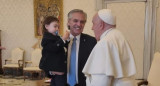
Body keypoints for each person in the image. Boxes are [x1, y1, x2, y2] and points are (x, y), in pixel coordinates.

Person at [83, 9, 137, 86]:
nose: (92, 28)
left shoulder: (105, 43)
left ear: (101, 24)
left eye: (93, 23)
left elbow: (101, 82)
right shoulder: (119, 36)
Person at [67, 9, 97, 86]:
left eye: (82, 22)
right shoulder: (58, 41)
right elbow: (45, 64)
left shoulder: (91, 41)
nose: (79, 24)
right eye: (75, 21)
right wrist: (51, 72)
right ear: (68, 22)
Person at [39, 16, 70, 86]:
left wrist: (67, 39)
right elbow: (54, 48)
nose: (57, 29)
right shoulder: (46, 39)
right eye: (55, 26)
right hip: (54, 69)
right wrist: (63, 39)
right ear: (47, 26)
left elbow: (64, 45)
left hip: (58, 69)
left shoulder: (56, 37)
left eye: (58, 27)